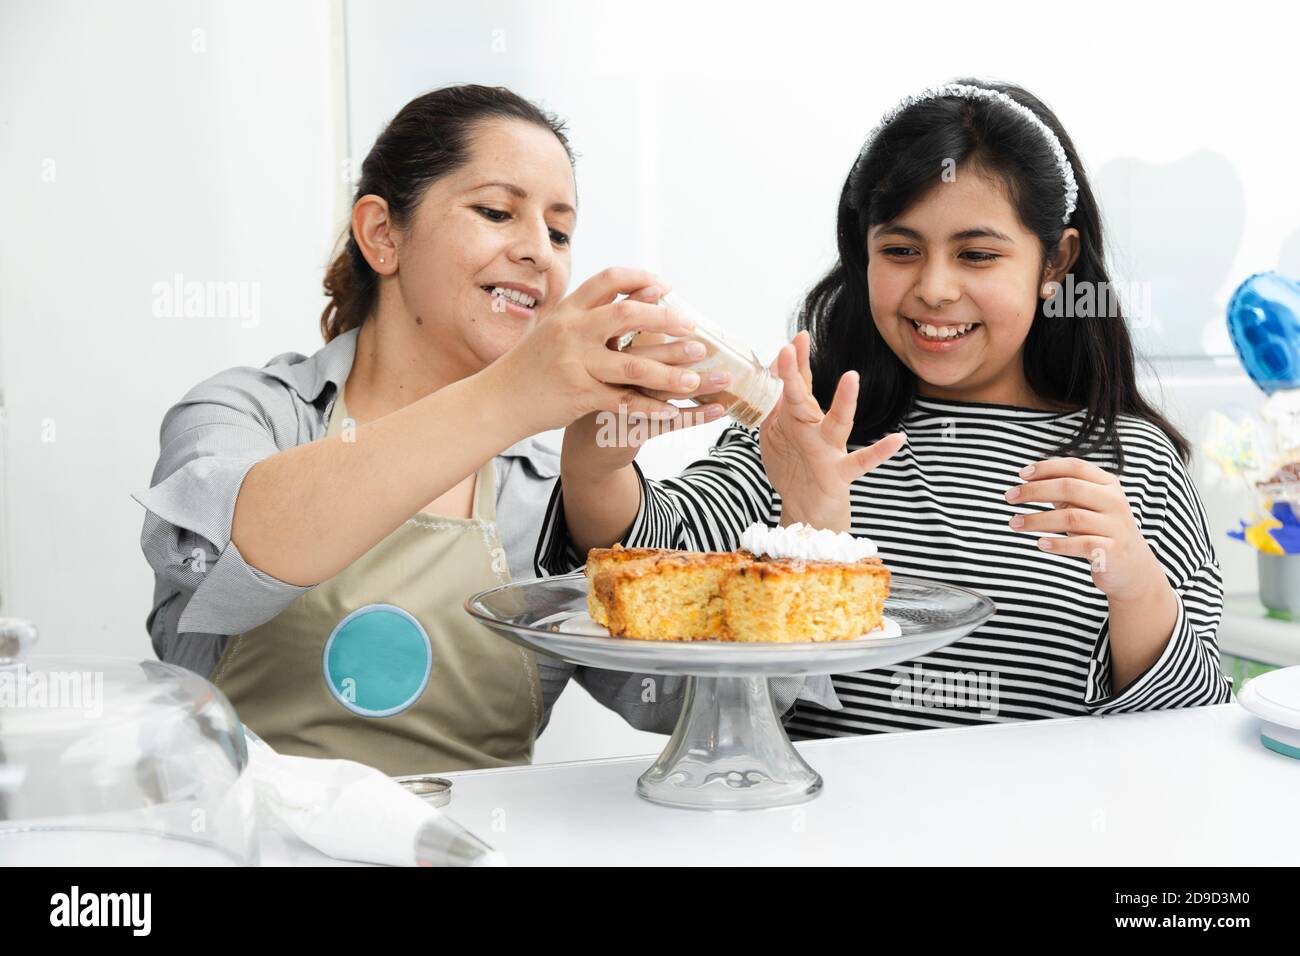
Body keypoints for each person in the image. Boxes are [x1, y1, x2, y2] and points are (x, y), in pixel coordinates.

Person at [540, 79, 1234, 737]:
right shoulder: (810, 427)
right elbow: (645, 569)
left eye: (977, 255)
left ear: (1055, 263)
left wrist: (1135, 583)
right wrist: (597, 462)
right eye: (900, 250)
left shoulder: (1133, 463)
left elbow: (1194, 723)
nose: (934, 289)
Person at [135, 84, 726, 774]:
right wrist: (511, 396)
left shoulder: (544, 495)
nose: (541, 251)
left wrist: (806, 516)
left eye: (560, 231)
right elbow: (243, 550)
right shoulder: (248, 414)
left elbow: (684, 700)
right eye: (497, 211)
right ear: (383, 235)